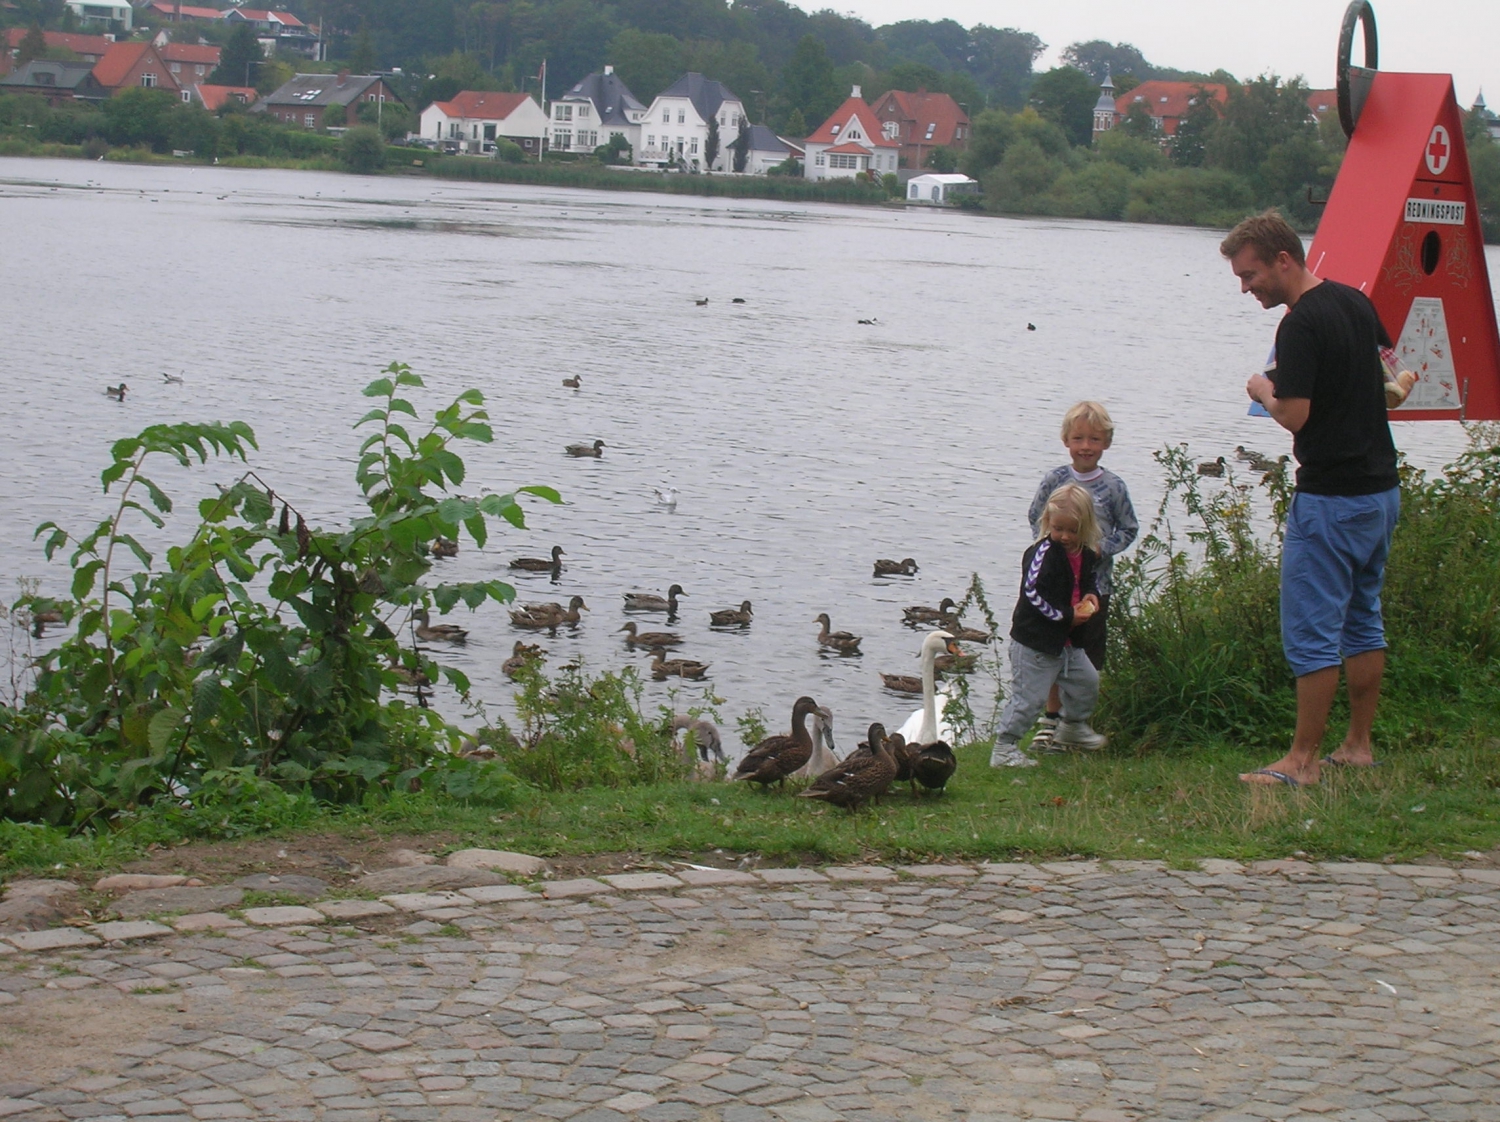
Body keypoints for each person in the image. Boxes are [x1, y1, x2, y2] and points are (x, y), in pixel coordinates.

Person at [1222, 209, 1401, 787]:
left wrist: (1263, 388)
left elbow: (1295, 415)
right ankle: (1357, 745)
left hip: (1330, 499)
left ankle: (1301, 762)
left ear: (1283, 259)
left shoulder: (1298, 326)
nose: (1247, 289)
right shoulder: (1354, 301)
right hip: (1380, 491)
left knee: (1312, 627)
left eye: (1251, 276)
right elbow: (1384, 378)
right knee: (1363, 620)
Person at [1025, 401, 1138, 750]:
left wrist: (1102, 548)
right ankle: (1050, 720)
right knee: (1054, 652)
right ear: (1066, 441)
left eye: (1094, 439)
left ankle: (1077, 723)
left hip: (1094, 589)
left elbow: (1129, 529)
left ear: (1106, 443)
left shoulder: (1114, 487)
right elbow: (1035, 517)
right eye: (1078, 438)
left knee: (1087, 656)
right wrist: (1049, 552)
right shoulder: (1055, 480)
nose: (1085, 446)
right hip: (1058, 589)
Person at [991, 484, 1107, 768]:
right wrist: (1067, 616)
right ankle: (1004, 748)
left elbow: (1087, 579)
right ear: (1048, 524)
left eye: (1072, 530)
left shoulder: (1087, 553)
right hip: (1035, 643)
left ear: (1086, 527)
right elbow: (1032, 595)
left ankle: (1072, 727)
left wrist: (1091, 595)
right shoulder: (1041, 554)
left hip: (1067, 643)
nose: (1065, 537)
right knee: (1028, 700)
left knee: (1088, 683)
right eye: (1058, 529)